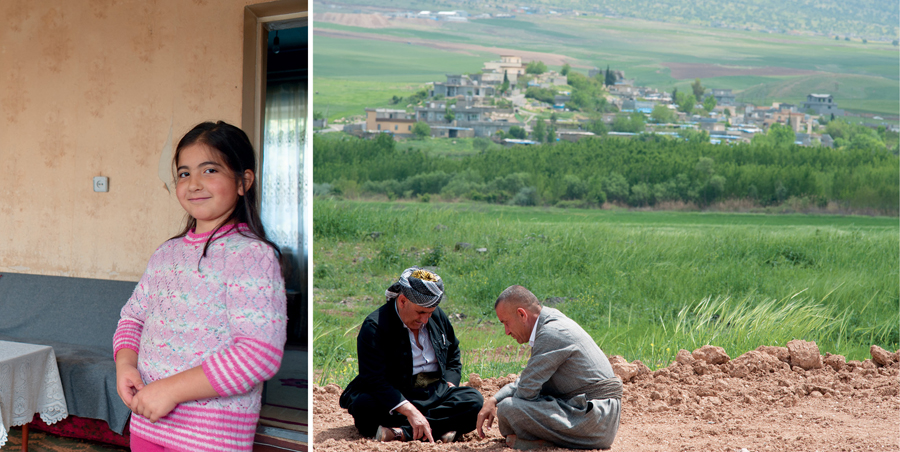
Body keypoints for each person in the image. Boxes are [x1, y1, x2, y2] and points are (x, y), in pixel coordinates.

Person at [113, 121, 287, 452]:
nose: (194, 184)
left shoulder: (253, 255)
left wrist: (170, 391)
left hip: (211, 437)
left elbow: (258, 353)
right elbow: (132, 319)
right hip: (147, 424)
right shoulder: (166, 254)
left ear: (243, 181)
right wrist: (125, 365)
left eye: (209, 170)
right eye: (183, 173)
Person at [339, 267, 483, 443]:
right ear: (402, 301)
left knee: (474, 401)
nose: (425, 319)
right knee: (364, 406)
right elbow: (373, 379)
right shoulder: (374, 326)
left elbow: (453, 354)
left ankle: (401, 433)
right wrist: (409, 410)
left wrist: (450, 385)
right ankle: (440, 428)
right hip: (395, 392)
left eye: (429, 313)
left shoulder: (435, 315)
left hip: (433, 387)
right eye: (420, 312)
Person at [476, 285, 622, 450]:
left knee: (508, 409)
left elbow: (525, 392)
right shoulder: (550, 320)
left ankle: (541, 444)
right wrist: (494, 399)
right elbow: (528, 381)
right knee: (509, 403)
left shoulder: (551, 334)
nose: (507, 331)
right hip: (597, 414)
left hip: (596, 421)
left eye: (506, 323)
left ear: (521, 314)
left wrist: (499, 403)